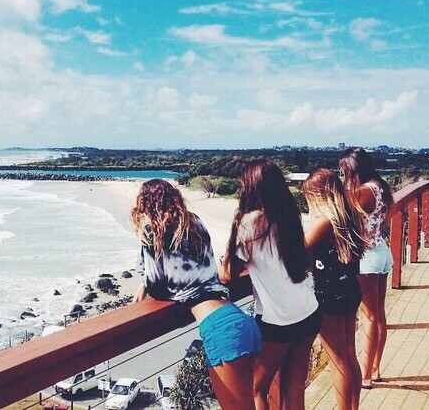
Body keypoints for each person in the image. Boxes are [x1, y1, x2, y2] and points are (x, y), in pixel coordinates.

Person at [131, 179, 261, 410]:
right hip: (239, 319)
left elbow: (157, 284)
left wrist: (145, 284)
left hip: (220, 330)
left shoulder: (152, 231)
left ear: (144, 205)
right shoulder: (194, 222)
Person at [220, 159, 321, 410]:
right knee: (293, 388)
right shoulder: (288, 214)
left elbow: (227, 274)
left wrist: (232, 238)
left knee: (257, 389)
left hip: (280, 319)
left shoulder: (248, 223)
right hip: (308, 309)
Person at [302, 168, 365, 410]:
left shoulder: (324, 222)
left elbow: (297, 249)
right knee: (348, 354)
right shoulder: (350, 217)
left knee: (337, 360)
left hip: (329, 295)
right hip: (349, 288)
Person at [339, 147, 393, 388]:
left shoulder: (360, 192)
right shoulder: (380, 186)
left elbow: (342, 218)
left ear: (352, 168)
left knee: (368, 317)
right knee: (379, 314)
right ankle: (376, 369)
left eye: (344, 170)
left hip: (366, 256)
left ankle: (366, 376)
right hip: (381, 250)